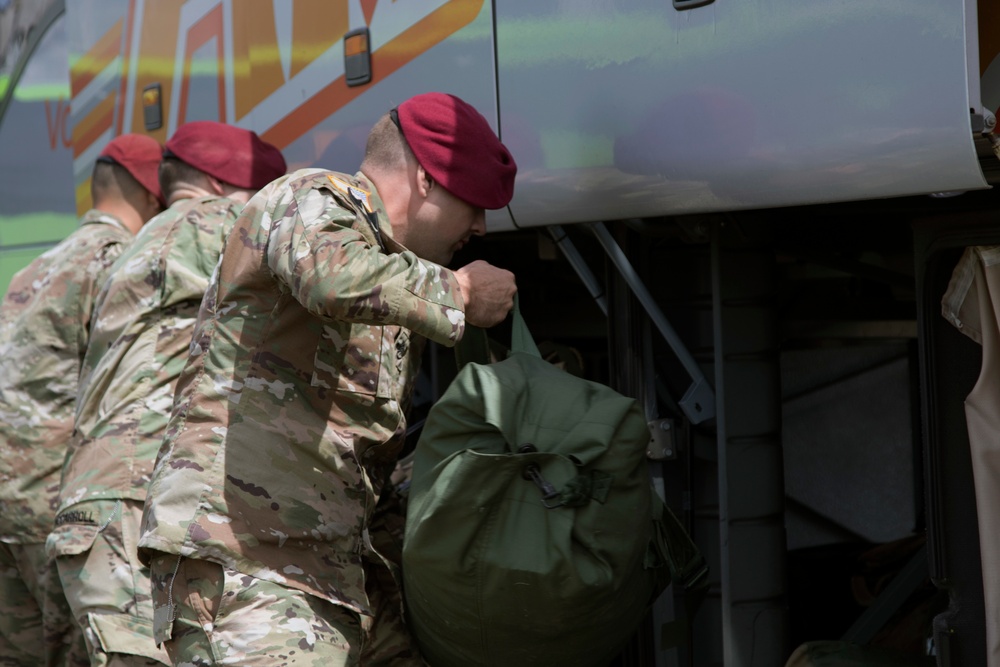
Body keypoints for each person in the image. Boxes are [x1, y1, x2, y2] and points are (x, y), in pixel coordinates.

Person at [137, 91, 518, 665]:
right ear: (424, 180)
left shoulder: (392, 281)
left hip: (322, 573)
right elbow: (332, 279)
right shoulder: (312, 197)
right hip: (246, 564)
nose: (482, 227)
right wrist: (459, 293)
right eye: (475, 201)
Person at [47, 121, 286, 667]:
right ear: (225, 189)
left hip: (93, 503)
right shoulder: (215, 223)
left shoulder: (139, 245)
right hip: (134, 503)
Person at [0, 133, 164, 667]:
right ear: (148, 191)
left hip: (9, 501)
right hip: (56, 504)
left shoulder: (39, 264)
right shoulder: (118, 260)